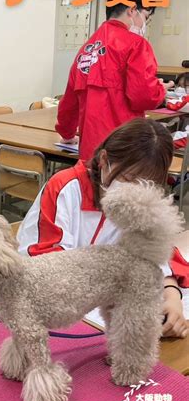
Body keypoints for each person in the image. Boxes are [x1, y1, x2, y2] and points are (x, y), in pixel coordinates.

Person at [17, 119, 189, 339]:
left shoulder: (141, 205)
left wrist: (171, 297)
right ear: (104, 160)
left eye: (147, 184)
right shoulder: (66, 189)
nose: (135, 191)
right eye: (128, 179)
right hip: (52, 311)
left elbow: (157, 252)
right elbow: (43, 263)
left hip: (105, 311)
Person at [56, 0, 174, 161]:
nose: (143, 25)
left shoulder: (86, 50)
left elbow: (69, 104)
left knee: (92, 188)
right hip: (123, 149)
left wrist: (66, 134)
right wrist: (160, 89)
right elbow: (143, 96)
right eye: (146, 18)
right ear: (132, 10)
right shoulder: (137, 45)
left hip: (90, 154)